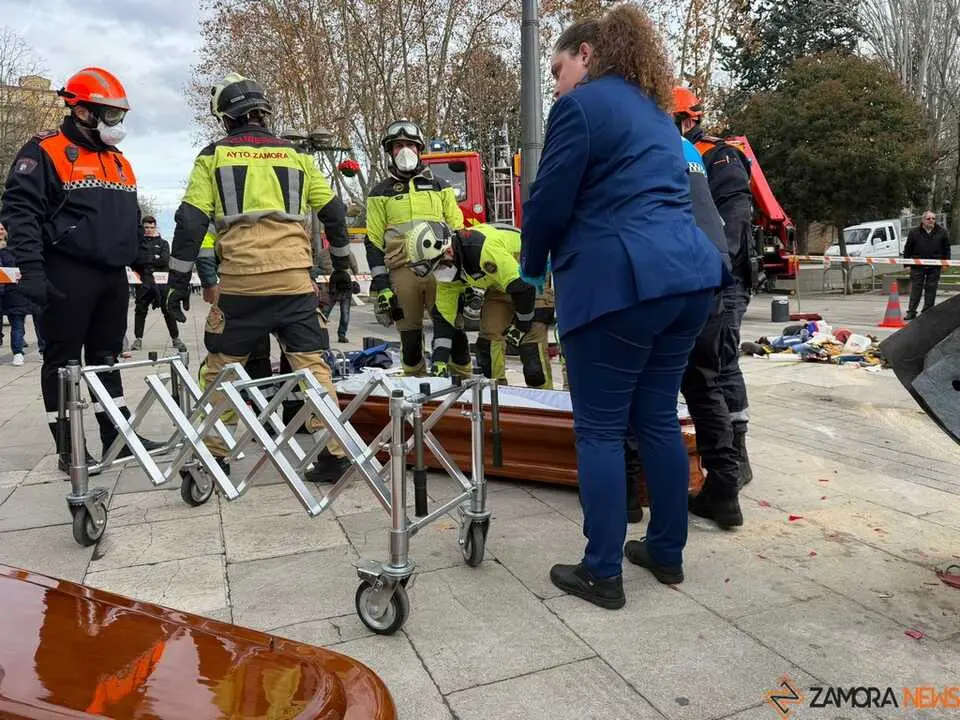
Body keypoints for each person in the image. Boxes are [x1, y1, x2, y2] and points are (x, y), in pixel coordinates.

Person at [522, 7, 724, 610]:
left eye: (557, 69)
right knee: (658, 417)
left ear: (585, 54)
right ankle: (665, 551)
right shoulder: (660, 116)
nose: (555, 83)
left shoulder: (580, 106)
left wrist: (532, 268)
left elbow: (549, 201)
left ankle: (601, 571)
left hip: (620, 284)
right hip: (688, 279)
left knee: (601, 429)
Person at [165, 72, 354, 482]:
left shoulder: (213, 156)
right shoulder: (297, 157)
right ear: (264, 113)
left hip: (242, 283)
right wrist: (341, 268)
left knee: (221, 368)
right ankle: (335, 454)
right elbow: (335, 215)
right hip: (294, 281)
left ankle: (214, 457)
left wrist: (177, 280)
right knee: (313, 368)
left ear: (225, 118)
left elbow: (191, 220)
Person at [0, 67, 161, 471]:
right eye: (109, 114)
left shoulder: (119, 162)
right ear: (82, 111)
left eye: (120, 115)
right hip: (65, 275)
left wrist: (145, 270)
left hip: (111, 278)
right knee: (63, 363)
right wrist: (32, 273)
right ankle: (68, 447)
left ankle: (117, 435)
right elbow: (20, 215)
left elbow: (130, 218)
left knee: (107, 358)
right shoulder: (43, 151)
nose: (116, 123)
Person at [673, 86, 755, 488]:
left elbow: (736, 215)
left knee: (718, 368)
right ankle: (723, 475)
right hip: (707, 272)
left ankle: (736, 461)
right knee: (703, 375)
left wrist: (715, 266)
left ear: (688, 119)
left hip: (722, 276)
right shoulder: (691, 154)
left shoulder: (717, 154)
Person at [364, 120, 464, 375]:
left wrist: (465, 275)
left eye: (410, 145)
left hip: (441, 270)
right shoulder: (380, 192)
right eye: (398, 146)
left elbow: (458, 229)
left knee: (454, 332)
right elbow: (373, 240)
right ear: (390, 151)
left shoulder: (441, 186)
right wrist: (381, 285)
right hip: (402, 271)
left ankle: (464, 384)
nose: (405, 150)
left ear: (419, 150)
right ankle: (414, 386)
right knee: (409, 339)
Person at [431, 222, 552, 388]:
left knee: (532, 354)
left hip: (530, 273)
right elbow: (444, 321)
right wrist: (439, 361)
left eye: (438, 266)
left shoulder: (482, 250)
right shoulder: (450, 269)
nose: (438, 273)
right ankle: (497, 395)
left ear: (449, 251)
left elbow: (524, 288)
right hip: (499, 281)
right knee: (488, 343)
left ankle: (544, 404)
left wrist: (522, 325)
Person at [130, 216, 186, 352]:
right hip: (144, 282)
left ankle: (175, 338)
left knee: (168, 310)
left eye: (151, 227)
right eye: (146, 227)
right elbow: (134, 261)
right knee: (140, 310)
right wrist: (153, 258)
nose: (149, 230)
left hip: (161, 282)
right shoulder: (137, 244)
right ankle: (138, 340)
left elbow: (165, 260)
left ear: (155, 227)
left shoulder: (164, 243)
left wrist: (147, 260)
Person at [903, 211, 951, 320]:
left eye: (933, 218)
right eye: (929, 218)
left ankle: (927, 311)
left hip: (935, 266)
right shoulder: (914, 232)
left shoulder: (942, 232)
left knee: (931, 289)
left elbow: (947, 249)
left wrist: (946, 263)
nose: (931, 220)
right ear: (923, 220)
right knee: (916, 289)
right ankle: (911, 312)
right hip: (917, 266)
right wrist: (906, 264)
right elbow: (907, 249)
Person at [0, 222, 29, 365]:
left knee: (17, 324)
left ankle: (17, 352)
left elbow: (21, 271)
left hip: (13, 294)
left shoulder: (14, 251)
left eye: (2, 228)